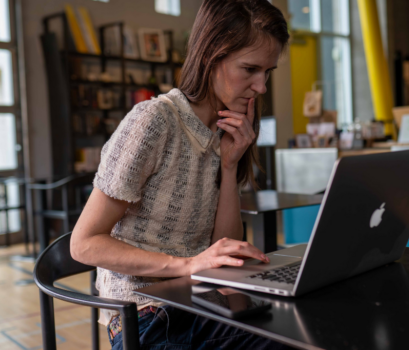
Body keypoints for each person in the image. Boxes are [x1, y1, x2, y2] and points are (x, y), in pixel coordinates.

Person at [71, 0, 291, 348]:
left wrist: (231, 166)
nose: (261, 87)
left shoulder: (224, 132)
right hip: (145, 314)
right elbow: (83, 244)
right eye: (249, 69)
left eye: (267, 72)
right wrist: (189, 264)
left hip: (201, 303)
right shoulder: (153, 120)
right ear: (210, 56)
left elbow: (223, 249)